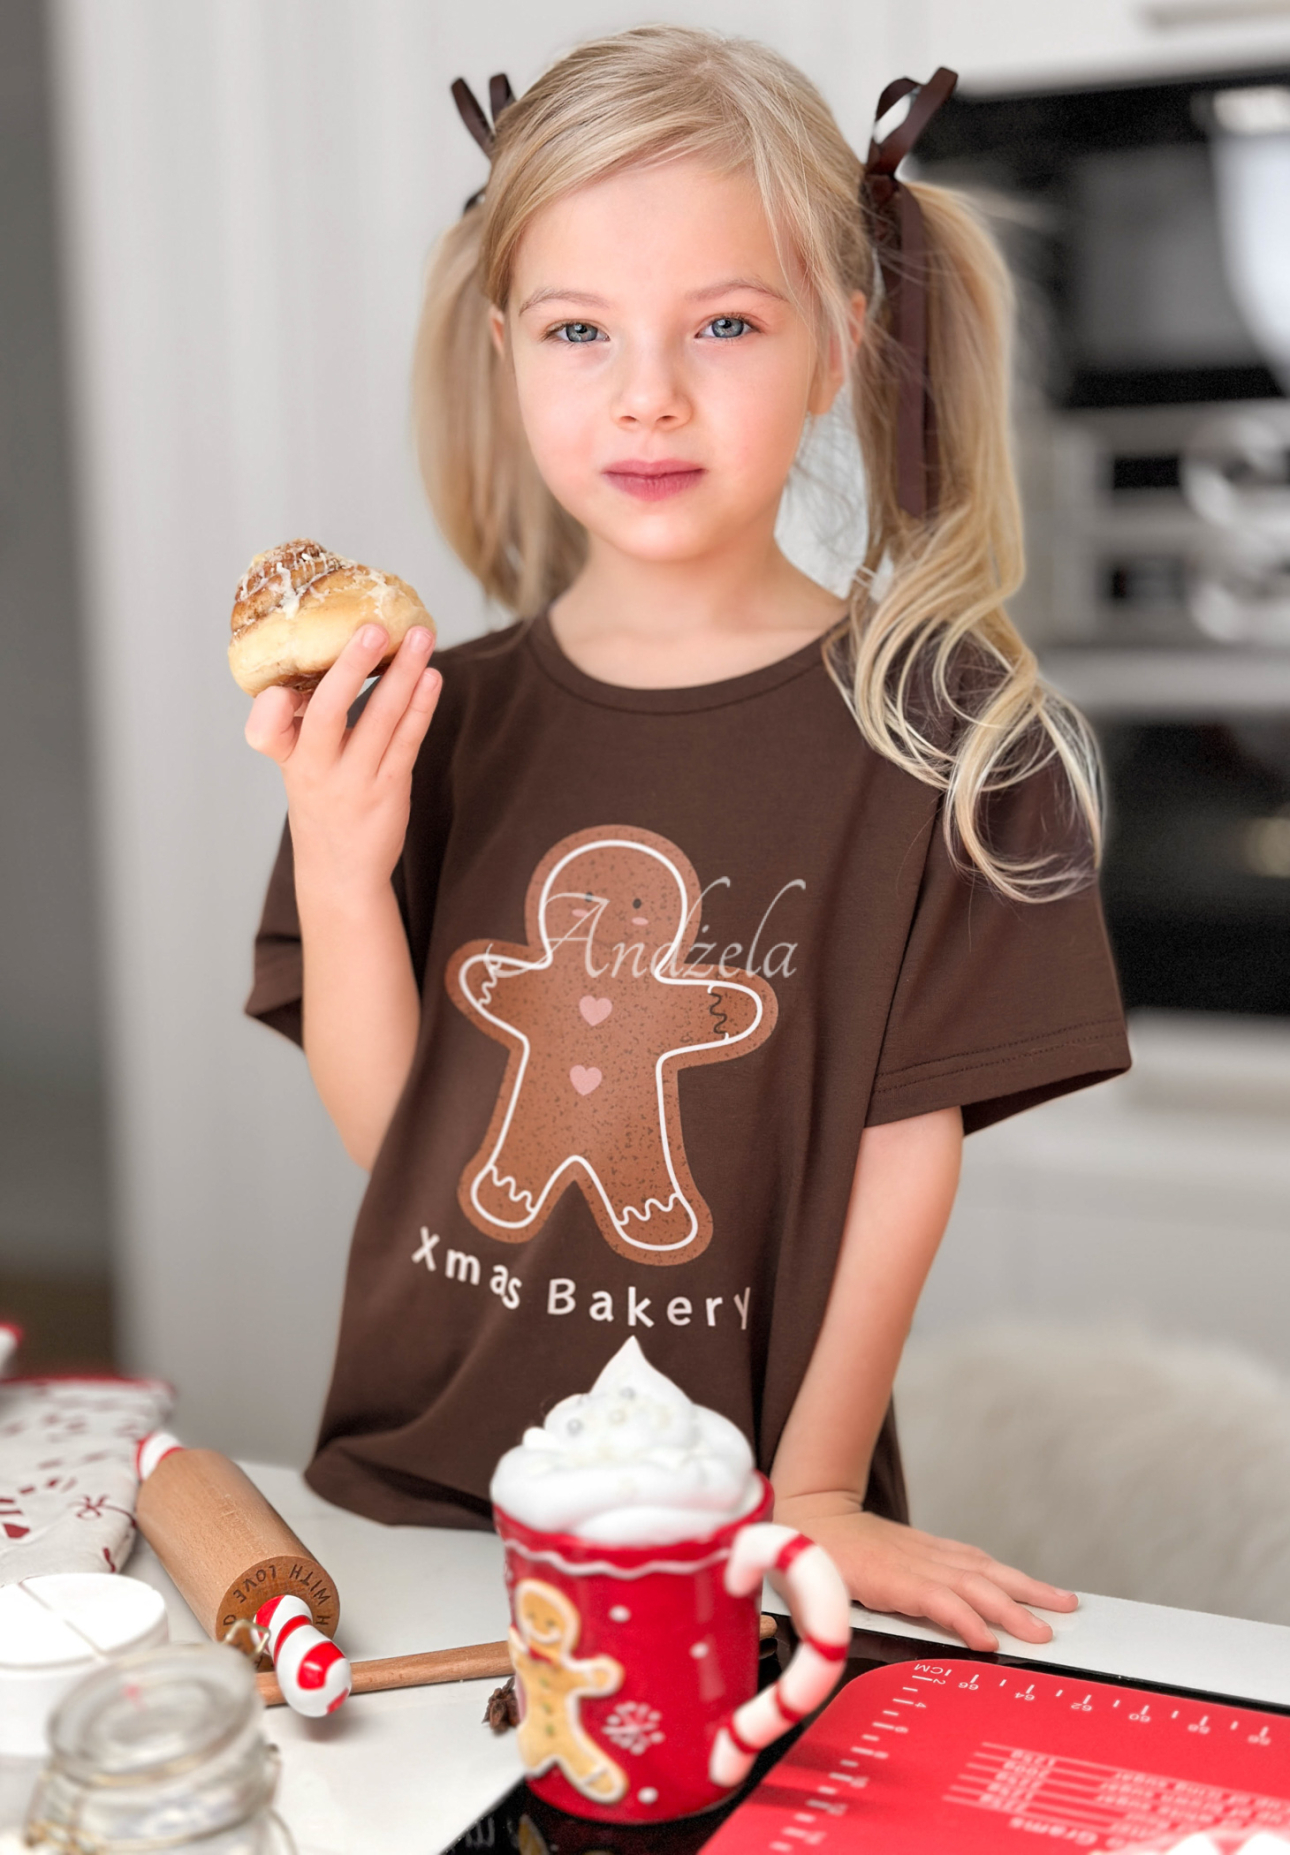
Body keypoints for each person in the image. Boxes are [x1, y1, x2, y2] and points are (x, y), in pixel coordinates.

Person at [244, 26, 1129, 1652]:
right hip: (422, 1496)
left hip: (741, 1534)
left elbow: (895, 1164)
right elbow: (404, 1145)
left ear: (840, 343)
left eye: (723, 322)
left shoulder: (945, 735)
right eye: (580, 329)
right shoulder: (437, 720)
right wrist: (340, 863)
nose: (645, 392)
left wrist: (808, 1496)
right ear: (505, 346)